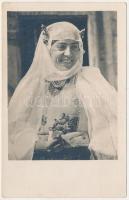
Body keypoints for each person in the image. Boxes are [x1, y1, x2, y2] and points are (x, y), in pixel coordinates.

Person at [8, 21, 117, 160]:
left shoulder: (93, 81)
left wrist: (86, 139)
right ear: (48, 48)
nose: (68, 53)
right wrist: (39, 144)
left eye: (74, 47)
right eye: (61, 46)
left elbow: (115, 130)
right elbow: (11, 134)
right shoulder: (32, 85)